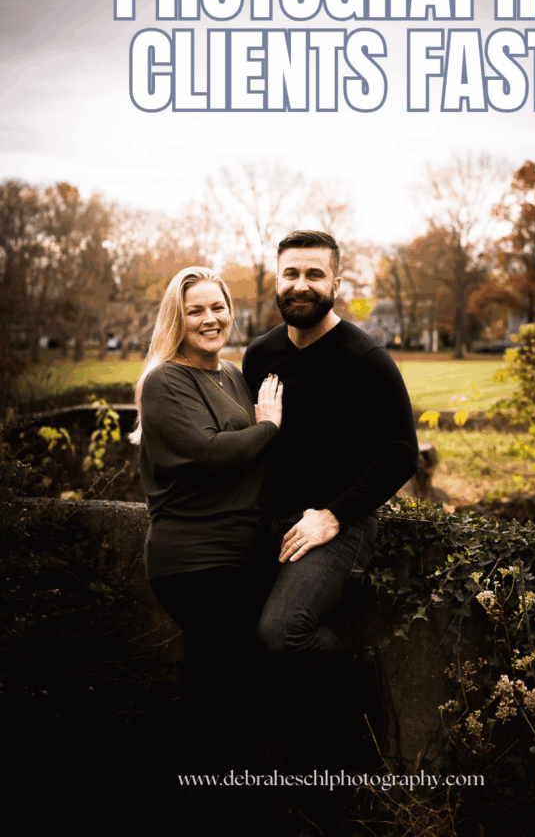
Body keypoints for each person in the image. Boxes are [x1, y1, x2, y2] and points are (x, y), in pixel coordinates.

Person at [242, 231, 419, 770]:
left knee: (281, 633)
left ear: (337, 283)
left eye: (314, 274)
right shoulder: (260, 354)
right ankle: (289, 755)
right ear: (277, 279)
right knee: (231, 630)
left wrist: (335, 514)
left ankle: (359, 688)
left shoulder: (366, 358)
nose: (301, 285)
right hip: (270, 520)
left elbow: (400, 453)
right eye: (291, 273)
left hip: (340, 523)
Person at [129, 265, 283, 756]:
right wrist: (269, 427)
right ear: (178, 317)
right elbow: (212, 452)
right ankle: (211, 791)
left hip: (242, 553)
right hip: (195, 560)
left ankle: (199, 792)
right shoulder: (164, 382)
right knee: (228, 684)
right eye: (195, 310)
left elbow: (254, 460)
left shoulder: (232, 375)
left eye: (218, 308)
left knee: (220, 680)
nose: (210, 319)